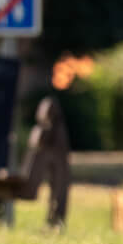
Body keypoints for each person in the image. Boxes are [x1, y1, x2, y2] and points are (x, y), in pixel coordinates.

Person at [20, 94, 72, 229]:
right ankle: (55, 219)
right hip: (28, 183)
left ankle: (55, 219)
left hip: (30, 181)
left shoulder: (43, 133)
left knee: (59, 186)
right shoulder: (49, 133)